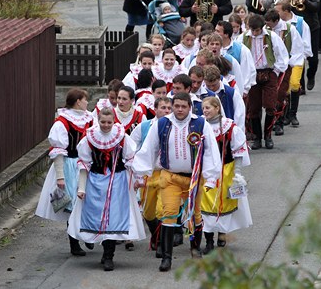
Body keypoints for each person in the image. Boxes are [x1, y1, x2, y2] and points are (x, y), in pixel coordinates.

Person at [132, 92, 222, 272]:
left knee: (196, 215)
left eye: (184, 106)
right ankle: (166, 258)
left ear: (190, 107)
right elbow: (149, 149)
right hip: (170, 178)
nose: (180, 109)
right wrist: (141, 174)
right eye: (177, 106)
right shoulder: (161, 124)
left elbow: (211, 151)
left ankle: (195, 250)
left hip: (194, 178)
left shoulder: (201, 123)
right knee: (169, 213)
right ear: (173, 106)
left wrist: (211, 178)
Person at [66, 108, 144, 271]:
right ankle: (99, 247)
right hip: (95, 180)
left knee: (113, 216)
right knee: (96, 215)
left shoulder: (122, 137)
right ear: (98, 120)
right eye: (103, 122)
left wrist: (138, 180)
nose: (106, 125)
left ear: (114, 121)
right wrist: (81, 187)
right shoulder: (89, 138)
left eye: (109, 122)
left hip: (118, 180)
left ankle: (109, 255)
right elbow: (84, 164)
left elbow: (131, 159)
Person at [35, 88, 93, 256]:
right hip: (69, 165)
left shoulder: (90, 118)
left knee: (89, 201)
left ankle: (88, 235)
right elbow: (58, 151)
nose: (87, 102)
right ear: (78, 101)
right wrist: (60, 177)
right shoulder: (62, 122)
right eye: (85, 99)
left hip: (87, 164)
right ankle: (74, 243)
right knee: (73, 205)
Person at [200, 96, 252, 255]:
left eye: (208, 108)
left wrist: (237, 174)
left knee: (223, 203)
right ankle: (208, 239)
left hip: (226, 171)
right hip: (206, 172)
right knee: (205, 204)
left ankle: (221, 232)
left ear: (217, 108)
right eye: (203, 108)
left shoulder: (230, 127)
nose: (205, 111)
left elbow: (238, 152)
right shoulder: (200, 125)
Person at [235, 14, 289, 150]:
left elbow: (282, 55)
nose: (254, 33)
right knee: (254, 108)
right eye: (252, 30)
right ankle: (257, 138)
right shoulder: (243, 38)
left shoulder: (271, 37)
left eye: (257, 30)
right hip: (252, 75)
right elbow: (237, 56)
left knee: (271, 105)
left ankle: (268, 136)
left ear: (262, 27)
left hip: (268, 73)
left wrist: (275, 72)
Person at [129, 97, 172, 257]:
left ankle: (161, 243)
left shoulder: (174, 126)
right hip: (149, 173)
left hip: (167, 174)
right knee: (148, 212)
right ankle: (156, 235)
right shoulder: (145, 126)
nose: (166, 111)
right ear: (155, 109)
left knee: (162, 209)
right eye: (163, 108)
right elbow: (132, 148)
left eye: (169, 108)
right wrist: (137, 174)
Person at [264, 8, 306, 136]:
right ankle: (273, 121)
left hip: (286, 66)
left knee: (281, 94)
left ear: (276, 21)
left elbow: (298, 49)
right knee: (271, 96)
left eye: (269, 23)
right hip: (271, 68)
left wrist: (288, 64)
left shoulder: (290, 29)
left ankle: (279, 122)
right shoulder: (266, 31)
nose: (267, 25)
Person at [274, 0, 313, 127]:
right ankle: (284, 114)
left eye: (278, 11)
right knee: (284, 88)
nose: (276, 13)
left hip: (296, 59)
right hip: (282, 62)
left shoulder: (300, 23)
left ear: (285, 11)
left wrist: (304, 56)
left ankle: (293, 114)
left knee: (295, 84)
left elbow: (306, 41)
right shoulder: (276, 25)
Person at [289, 0, 320, 92]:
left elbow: (316, 7)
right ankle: (300, 85)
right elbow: (283, 9)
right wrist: (287, 1)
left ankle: (311, 75)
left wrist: (305, 1)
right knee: (298, 57)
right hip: (297, 29)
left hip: (312, 26)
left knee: (313, 59)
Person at [216, 20, 256, 98]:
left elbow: (247, 70)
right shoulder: (214, 48)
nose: (215, 33)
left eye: (218, 31)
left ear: (226, 34)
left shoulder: (241, 49)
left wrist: (244, 90)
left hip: (236, 90)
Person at [203, 64, 246, 131]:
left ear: (219, 79)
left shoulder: (232, 93)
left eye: (214, 85)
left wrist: (236, 132)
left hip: (228, 132)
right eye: (208, 86)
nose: (211, 88)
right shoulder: (202, 94)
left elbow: (239, 116)